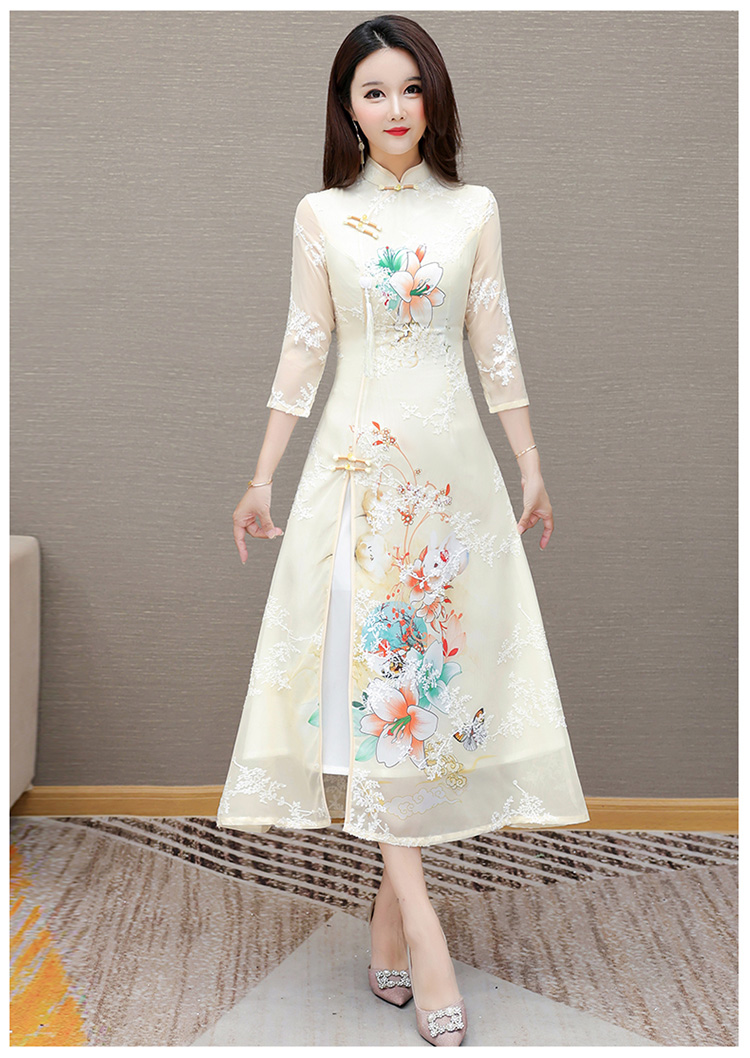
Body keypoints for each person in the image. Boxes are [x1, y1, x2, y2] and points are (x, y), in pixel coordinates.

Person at [220, 14, 590, 1047]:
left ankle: (388, 914)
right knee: (376, 687)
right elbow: (303, 349)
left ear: (436, 99)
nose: (394, 109)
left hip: (453, 484)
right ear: (347, 108)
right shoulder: (321, 215)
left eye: (410, 88)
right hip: (356, 484)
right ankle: (423, 931)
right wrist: (261, 475)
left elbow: (494, 337)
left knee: (425, 695)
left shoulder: (474, 208)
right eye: (373, 91)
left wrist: (528, 460)